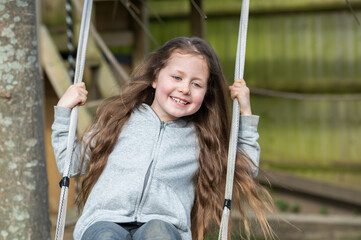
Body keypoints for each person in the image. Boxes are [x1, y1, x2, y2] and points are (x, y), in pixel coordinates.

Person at [52, 37, 273, 240]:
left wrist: (245, 112)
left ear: (206, 94)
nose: (185, 88)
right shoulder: (118, 119)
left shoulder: (201, 139)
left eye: (196, 84)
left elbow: (246, 169)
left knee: (157, 231)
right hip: (104, 220)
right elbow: (70, 165)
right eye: (176, 77)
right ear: (155, 78)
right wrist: (63, 111)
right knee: (107, 236)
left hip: (165, 225)